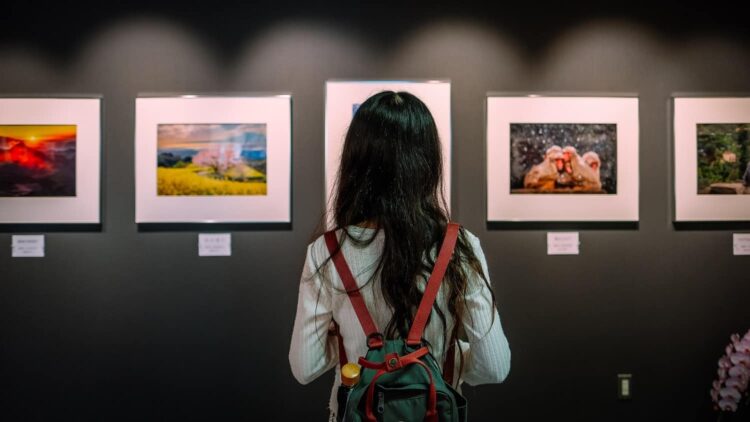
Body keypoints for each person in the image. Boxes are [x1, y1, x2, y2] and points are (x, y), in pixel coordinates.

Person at [289, 91, 511, 420]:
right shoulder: (459, 245)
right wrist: (443, 356)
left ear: (355, 162)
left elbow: (304, 367)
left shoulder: (327, 250)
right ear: (428, 162)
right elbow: (495, 366)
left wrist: (356, 349)